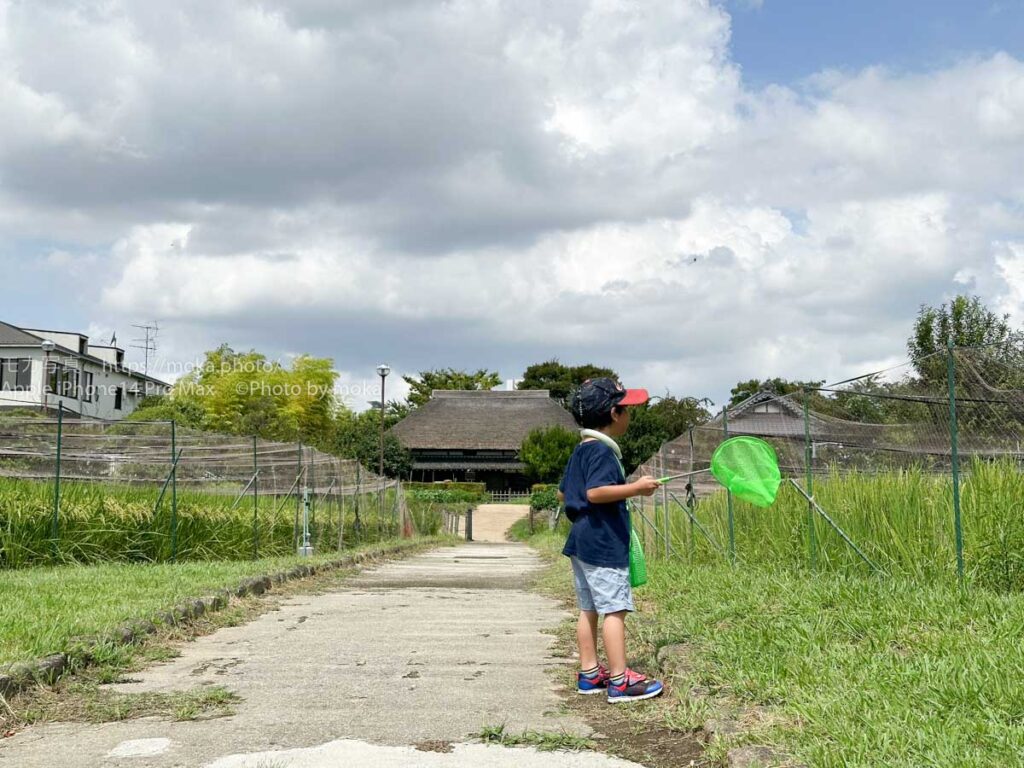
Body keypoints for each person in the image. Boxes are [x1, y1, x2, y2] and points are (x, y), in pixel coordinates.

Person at [557, 377, 664, 703]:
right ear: (615, 414)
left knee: (588, 608)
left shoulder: (582, 450)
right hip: (602, 542)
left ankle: (590, 674)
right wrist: (636, 488)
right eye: (627, 409)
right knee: (615, 609)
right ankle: (620, 681)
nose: (630, 416)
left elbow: (564, 493)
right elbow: (596, 492)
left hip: (581, 540)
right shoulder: (603, 452)